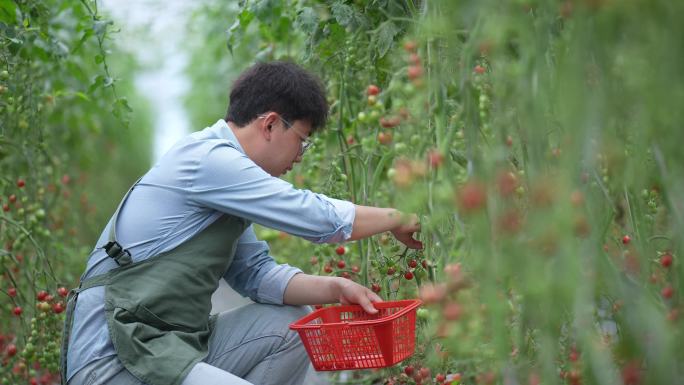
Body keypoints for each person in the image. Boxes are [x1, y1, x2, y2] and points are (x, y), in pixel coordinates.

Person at [61, 61, 422, 385]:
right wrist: (396, 218)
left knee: (292, 325)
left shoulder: (224, 188)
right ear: (269, 124)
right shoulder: (209, 159)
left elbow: (256, 274)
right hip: (112, 359)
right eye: (302, 141)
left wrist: (335, 287)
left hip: (165, 348)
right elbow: (312, 215)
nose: (299, 156)